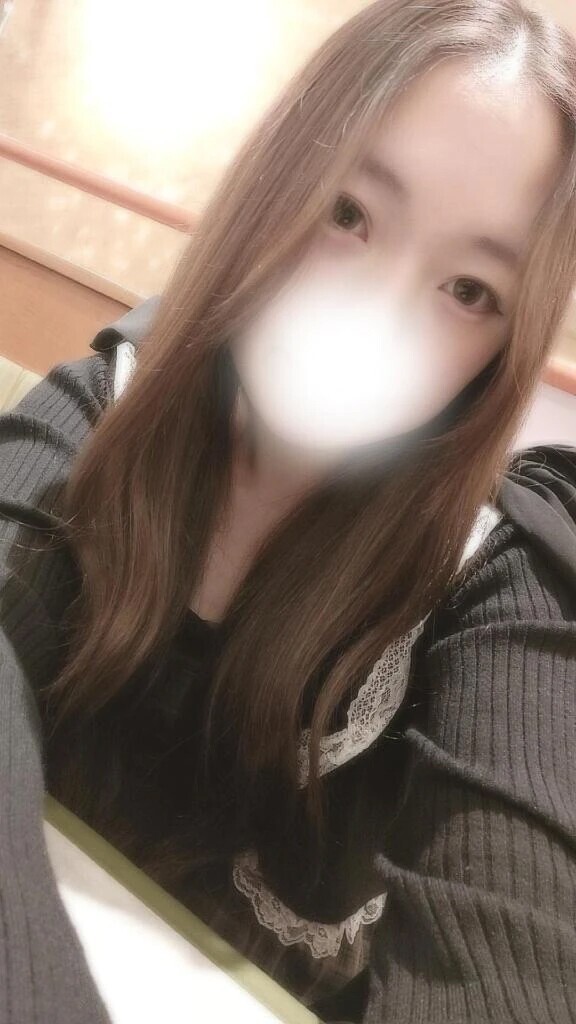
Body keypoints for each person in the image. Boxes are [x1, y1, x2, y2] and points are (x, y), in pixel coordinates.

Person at [2, 0, 576, 1021]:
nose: (376, 312)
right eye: (347, 212)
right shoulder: (101, 417)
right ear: (275, 186)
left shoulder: (500, 578)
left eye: (469, 289)